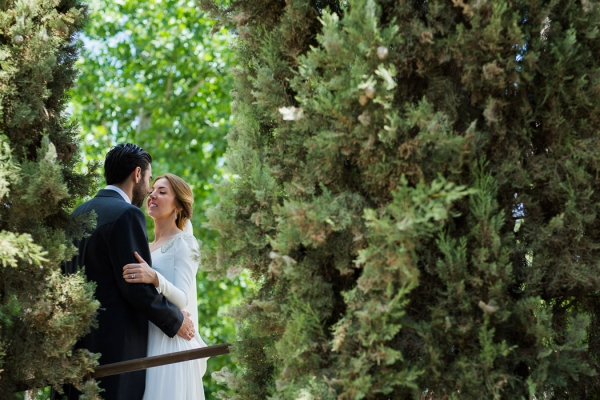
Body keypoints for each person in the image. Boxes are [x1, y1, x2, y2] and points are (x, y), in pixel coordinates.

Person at [55, 144, 195, 400]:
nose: (149, 190)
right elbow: (134, 285)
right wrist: (175, 321)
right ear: (137, 174)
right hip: (114, 355)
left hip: (72, 350)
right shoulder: (127, 215)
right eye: (150, 179)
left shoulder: (76, 215)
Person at [122, 173, 207, 400]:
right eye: (152, 191)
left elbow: (182, 299)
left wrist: (155, 278)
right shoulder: (146, 246)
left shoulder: (186, 243)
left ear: (178, 205)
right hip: (145, 338)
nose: (153, 196)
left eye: (162, 192)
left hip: (169, 343)